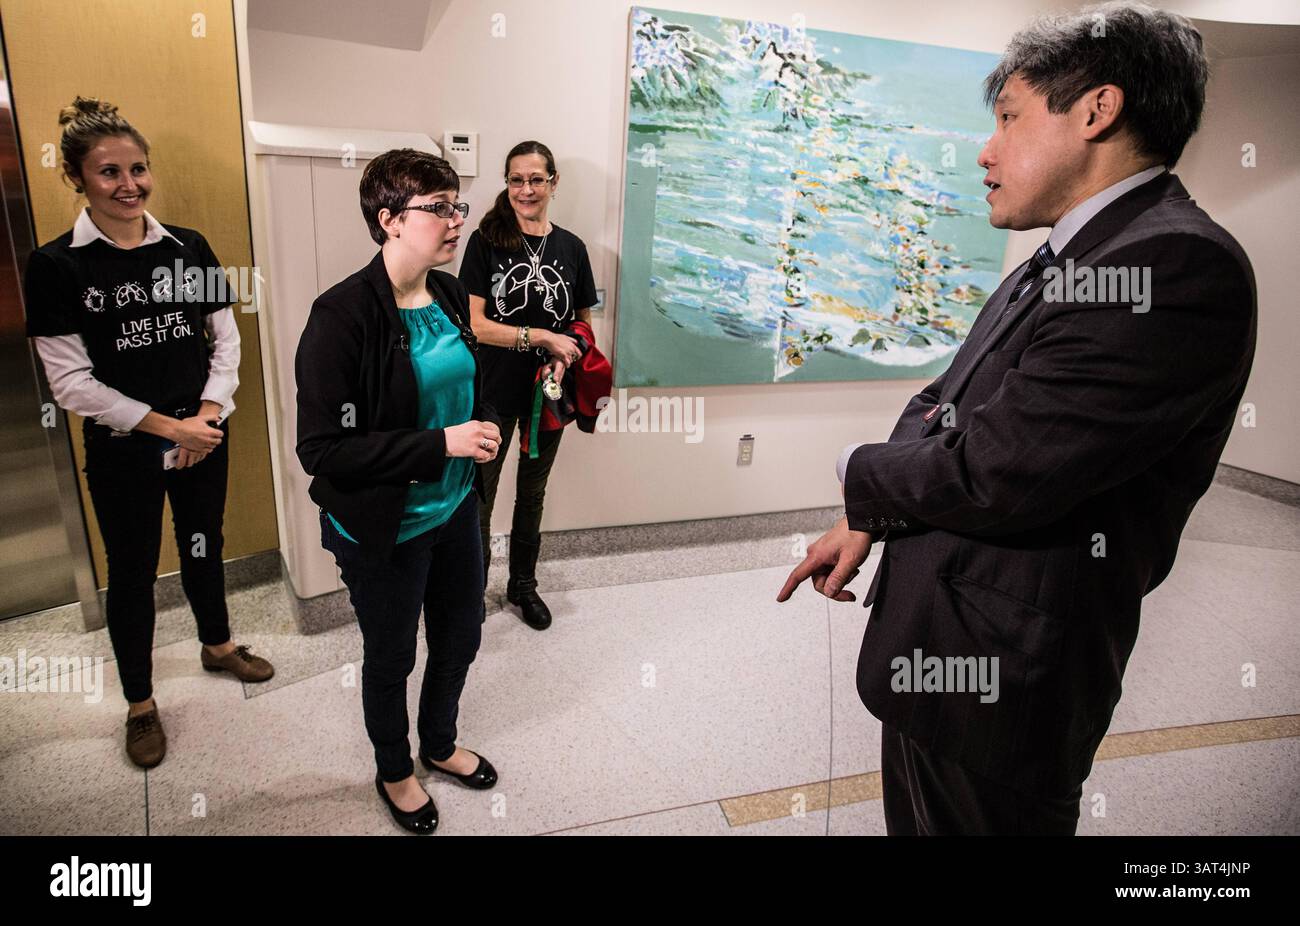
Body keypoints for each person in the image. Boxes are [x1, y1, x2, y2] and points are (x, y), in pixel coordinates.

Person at [778, 2, 1255, 835]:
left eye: (1007, 118)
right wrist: (871, 518)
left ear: (1096, 112)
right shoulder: (1073, 251)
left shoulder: (1171, 262)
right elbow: (943, 401)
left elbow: (992, 469)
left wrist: (861, 479)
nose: (985, 149)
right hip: (947, 645)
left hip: (1002, 680)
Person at [23, 96, 274, 770]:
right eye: (109, 173)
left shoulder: (186, 247)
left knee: (204, 545)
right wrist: (173, 428)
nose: (129, 184)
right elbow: (71, 382)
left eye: (138, 168)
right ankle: (139, 704)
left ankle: (217, 646)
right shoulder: (56, 267)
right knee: (132, 572)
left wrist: (209, 417)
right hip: (127, 448)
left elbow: (225, 340)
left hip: (204, 434)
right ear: (77, 178)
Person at [295, 148, 503, 835]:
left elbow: (461, 385)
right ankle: (395, 768)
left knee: (462, 634)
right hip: (384, 528)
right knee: (392, 656)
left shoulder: (445, 295)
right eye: (438, 208)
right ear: (388, 220)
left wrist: (485, 427)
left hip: (452, 511)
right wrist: (440, 443)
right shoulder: (342, 316)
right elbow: (322, 451)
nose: (455, 221)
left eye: (457, 205)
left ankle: (438, 743)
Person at [458, 140, 599, 630]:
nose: (526, 189)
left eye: (536, 179)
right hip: (491, 394)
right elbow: (473, 325)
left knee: (532, 495)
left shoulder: (573, 248)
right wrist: (539, 336)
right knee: (480, 497)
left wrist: (566, 357)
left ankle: (523, 586)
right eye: (517, 180)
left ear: (553, 183)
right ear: (507, 183)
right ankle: (470, 594)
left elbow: (582, 325)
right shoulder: (485, 241)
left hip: (549, 398)